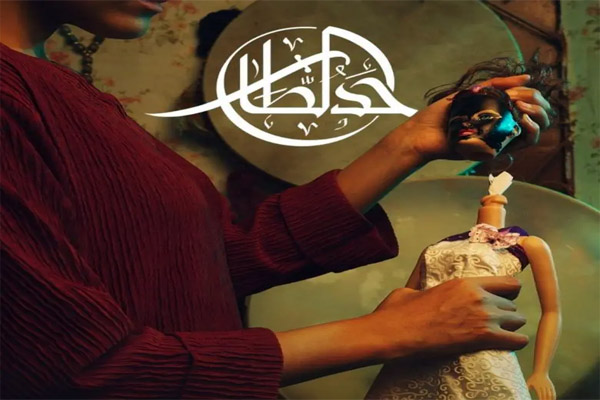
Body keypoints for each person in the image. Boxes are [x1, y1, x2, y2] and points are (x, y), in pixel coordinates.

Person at [0, 1, 554, 398]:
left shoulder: (50, 87)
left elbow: (211, 261)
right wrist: (390, 333)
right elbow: (82, 372)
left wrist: (411, 143)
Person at [365, 174, 561, 400]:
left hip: (482, 350)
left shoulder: (527, 243)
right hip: (422, 349)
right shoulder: (438, 247)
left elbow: (552, 311)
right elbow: (406, 300)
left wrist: (541, 371)